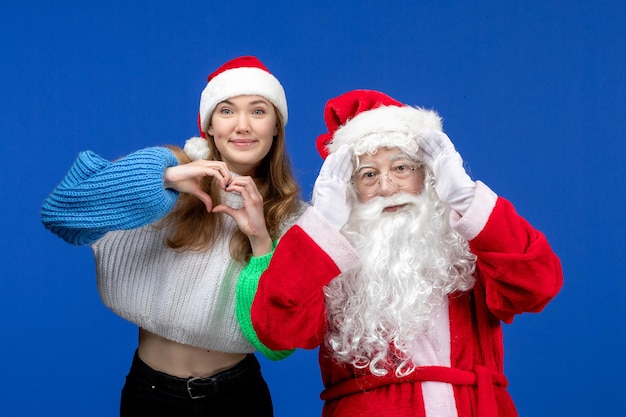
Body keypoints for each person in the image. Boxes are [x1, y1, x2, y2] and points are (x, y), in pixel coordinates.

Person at [236, 89, 563, 417]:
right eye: (368, 175)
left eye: (401, 168)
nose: (387, 187)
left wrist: (465, 199)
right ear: (348, 190)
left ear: (427, 174)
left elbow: (539, 286)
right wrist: (322, 225)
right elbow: (275, 329)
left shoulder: (468, 244)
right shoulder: (325, 257)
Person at [40, 56, 305, 416]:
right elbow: (61, 212)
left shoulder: (294, 219)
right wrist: (163, 177)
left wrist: (261, 241)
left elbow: (280, 342)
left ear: (276, 127)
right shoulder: (163, 177)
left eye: (258, 111)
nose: (242, 126)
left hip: (239, 397)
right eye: (227, 111)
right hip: (152, 394)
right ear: (209, 125)